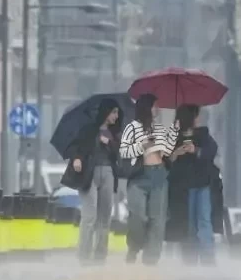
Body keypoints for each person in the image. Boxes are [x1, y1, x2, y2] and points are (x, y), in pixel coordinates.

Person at [119, 93, 184, 265]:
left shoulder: (159, 128)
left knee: (158, 220)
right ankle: (134, 247)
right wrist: (143, 145)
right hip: (139, 176)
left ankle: (151, 259)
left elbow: (167, 151)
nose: (157, 109)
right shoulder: (132, 127)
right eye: (155, 106)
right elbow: (124, 151)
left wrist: (174, 131)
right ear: (146, 107)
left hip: (159, 174)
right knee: (138, 216)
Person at [63, 99, 123, 263]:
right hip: (88, 175)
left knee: (105, 217)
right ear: (106, 112)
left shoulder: (115, 132)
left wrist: (109, 142)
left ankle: (100, 257)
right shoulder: (88, 130)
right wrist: (76, 158)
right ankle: (84, 256)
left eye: (117, 113)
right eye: (114, 112)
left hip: (108, 173)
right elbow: (74, 147)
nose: (116, 116)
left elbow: (120, 153)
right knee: (90, 216)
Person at [167, 104, 219, 264]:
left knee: (204, 221)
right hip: (183, 187)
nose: (197, 119)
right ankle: (189, 259)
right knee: (188, 224)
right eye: (196, 115)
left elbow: (211, 151)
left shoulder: (203, 134)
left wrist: (195, 150)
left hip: (202, 184)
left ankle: (208, 258)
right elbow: (165, 160)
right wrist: (176, 153)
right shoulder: (173, 137)